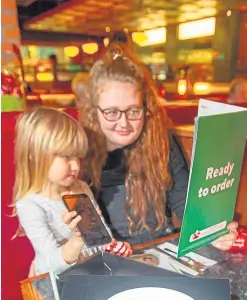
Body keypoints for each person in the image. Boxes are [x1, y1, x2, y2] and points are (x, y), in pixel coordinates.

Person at [64, 47, 237, 251]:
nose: (124, 123)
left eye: (133, 111)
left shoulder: (161, 141)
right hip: (112, 254)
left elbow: (182, 199)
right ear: (95, 110)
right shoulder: (78, 152)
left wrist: (209, 231)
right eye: (111, 112)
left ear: (146, 107)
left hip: (163, 247)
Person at [12, 107, 132, 278]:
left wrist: (112, 246)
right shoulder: (30, 205)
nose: (76, 166)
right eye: (66, 157)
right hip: (54, 282)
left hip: (88, 272)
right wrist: (78, 239)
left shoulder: (81, 187)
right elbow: (51, 263)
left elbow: (100, 236)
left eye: (77, 157)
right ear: (35, 155)